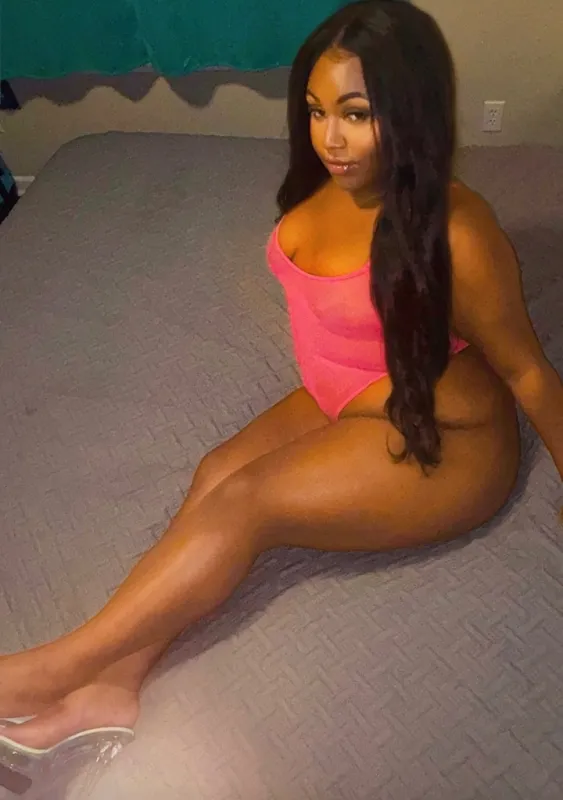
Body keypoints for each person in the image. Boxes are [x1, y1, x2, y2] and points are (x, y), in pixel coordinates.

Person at [1, 0, 562, 750]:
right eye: (316, 110)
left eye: (356, 114)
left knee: (246, 504)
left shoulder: (457, 231)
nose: (330, 138)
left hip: (449, 438)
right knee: (216, 474)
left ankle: (50, 670)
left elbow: (527, 370)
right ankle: (112, 688)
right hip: (349, 393)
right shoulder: (324, 180)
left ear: (411, 110)